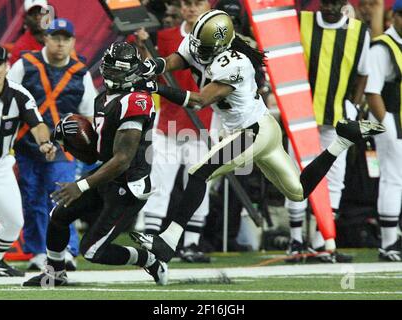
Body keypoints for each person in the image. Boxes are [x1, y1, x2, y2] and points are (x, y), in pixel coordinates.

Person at [130, 9, 385, 263]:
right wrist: (154, 66)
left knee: (198, 171)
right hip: (263, 128)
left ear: (222, 44)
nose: (199, 52)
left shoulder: (235, 63)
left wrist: (155, 86)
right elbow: (181, 57)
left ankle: (169, 239)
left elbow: (199, 100)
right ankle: (343, 139)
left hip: (252, 133)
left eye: (205, 48)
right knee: (298, 192)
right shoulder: (201, 42)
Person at [23, 41, 167, 287]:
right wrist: (70, 142)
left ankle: (148, 258)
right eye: (110, 68)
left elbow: (122, 160)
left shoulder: (136, 101)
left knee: (92, 252)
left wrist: (80, 186)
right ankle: (54, 274)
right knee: (59, 214)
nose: (112, 75)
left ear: (132, 72)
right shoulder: (104, 98)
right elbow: (96, 156)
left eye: (119, 71)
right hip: (106, 176)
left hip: (128, 186)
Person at [283, 0, 371, 263]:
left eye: (335, 2)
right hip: (302, 113)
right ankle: (295, 240)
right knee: (295, 174)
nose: (329, 7)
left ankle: (324, 242)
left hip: (336, 116)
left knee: (334, 178)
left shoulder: (359, 31)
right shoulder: (302, 21)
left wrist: (354, 105)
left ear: (344, 3)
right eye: (325, 1)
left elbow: (363, 73)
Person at [8, 18, 96, 271]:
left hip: (64, 149)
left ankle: (66, 250)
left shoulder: (81, 73)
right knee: (32, 198)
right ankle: (37, 252)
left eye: (65, 38)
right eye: (55, 37)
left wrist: (84, 146)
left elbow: (88, 115)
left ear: (73, 42)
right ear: (45, 38)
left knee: (62, 197)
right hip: (27, 145)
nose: (60, 43)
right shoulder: (25, 65)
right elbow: (9, 98)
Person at [138, 0, 215, 263]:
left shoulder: (218, 36)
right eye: (187, 3)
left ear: (206, 5)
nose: (192, 8)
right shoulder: (166, 36)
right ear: (181, 7)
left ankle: (191, 244)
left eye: (197, 3)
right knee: (159, 183)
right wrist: (143, 47)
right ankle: (150, 239)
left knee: (198, 183)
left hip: (203, 123)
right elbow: (152, 74)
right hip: (169, 124)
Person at [0, 45, 56, 276]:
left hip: (0, 166)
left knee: (13, 222)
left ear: (6, 66)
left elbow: (37, 123)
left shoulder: (19, 94)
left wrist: (44, 143)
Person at [365, 0, 402, 261]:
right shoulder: (382, 47)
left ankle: (393, 237)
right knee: (392, 177)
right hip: (390, 119)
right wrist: (386, 124)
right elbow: (372, 91)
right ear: (394, 16)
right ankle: (388, 243)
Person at [10, 0, 50, 65]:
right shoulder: (20, 48)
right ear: (25, 19)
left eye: (42, 12)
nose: (38, 17)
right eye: (33, 14)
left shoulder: (60, 40)